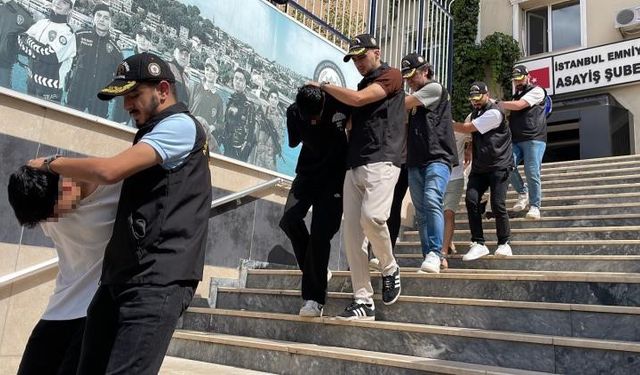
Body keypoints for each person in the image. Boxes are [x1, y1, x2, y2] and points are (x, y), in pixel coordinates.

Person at [27, 52, 211, 374]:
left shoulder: (181, 127)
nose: (127, 106)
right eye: (124, 98)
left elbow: (110, 171)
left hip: (157, 281)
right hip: (120, 278)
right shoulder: (152, 135)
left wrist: (49, 163)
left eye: (134, 95)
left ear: (163, 90)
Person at [312, 33, 405, 320]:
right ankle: (363, 300)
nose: (358, 63)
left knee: (372, 218)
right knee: (352, 236)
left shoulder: (392, 76)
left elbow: (360, 99)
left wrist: (324, 86)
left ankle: (389, 267)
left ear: (377, 52)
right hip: (354, 164)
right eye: (354, 59)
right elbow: (352, 114)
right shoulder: (362, 82)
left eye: (362, 57)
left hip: (384, 159)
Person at [7, 166, 121, 375]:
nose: (54, 219)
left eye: (55, 210)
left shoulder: (116, 187)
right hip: (59, 309)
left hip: (95, 311)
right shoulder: (45, 207)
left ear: (63, 183)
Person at [279, 85, 350, 317]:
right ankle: (316, 269)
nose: (316, 119)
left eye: (318, 114)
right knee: (289, 219)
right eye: (310, 117)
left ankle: (314, 298)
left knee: (320, 235)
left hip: (335, 177)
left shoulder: (339, 104)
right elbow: (292, 142)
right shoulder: (293, 113)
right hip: (308, 173)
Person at [401, 52, 458, 274]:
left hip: (438, 157)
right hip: (415, 160)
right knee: (421, 212)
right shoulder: (413, 100)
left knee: (432, 199)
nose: (409, 81)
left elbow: (400, 104)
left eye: (412, 75)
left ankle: (436, 252)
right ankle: (429, 257)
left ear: (425, 71)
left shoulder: (435, 89)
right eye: (406, 77)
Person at [453, 82, 513, 261]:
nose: (476, 102)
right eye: (473, 100)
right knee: (471, 200)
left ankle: (504, 243)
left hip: (499, 165)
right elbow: (471, 134)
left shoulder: (494, 113)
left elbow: (466, 128)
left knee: (497, 204)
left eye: (479, 99)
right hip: (480, 168)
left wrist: (444, 122)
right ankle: (478, 243)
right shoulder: (474, 113)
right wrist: (469, 148)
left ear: (487, 95)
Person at [498, 65, 547, 220]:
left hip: (534, 138)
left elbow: (520, 106)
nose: (518, 82)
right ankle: (523, 192)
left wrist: (498, 103)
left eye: (520, 78)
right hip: (516, 139)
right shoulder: (514, 97)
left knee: (532, 171)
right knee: (506, 165)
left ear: (528, 76)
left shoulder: (537, 90)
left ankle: (535, 206)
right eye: (515, 80)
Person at [65, 3, 123, 118]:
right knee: (68, 125)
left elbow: (120, 76)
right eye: (99, 15)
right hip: (77, 91)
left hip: (100, 98)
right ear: (94, 17)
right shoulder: (80, 36)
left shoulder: (116, 50)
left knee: (97, 131)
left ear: (111, 22)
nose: (102, 19)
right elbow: (67, 59)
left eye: (106, 18)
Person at [18, 0, 76, 103]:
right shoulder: (41, 23)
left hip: (50, 88)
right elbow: (21, 40)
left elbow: (51, 55)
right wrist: (39, 51)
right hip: (31, 81)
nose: (58, 3)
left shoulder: (68, 33)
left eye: (64, 2)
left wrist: (29, 41)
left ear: (70, 10)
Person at [441, 131, 472, 269]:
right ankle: (448, 241)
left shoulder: (458, 130)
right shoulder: (433, 129)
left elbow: (474, 135)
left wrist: (469, 150)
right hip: (437, 178)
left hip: (456, 178)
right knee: (439, 215)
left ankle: (443, 254)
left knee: (448, 213)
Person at [188, 56, 224, 152]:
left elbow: (221, 124)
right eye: (207, 70)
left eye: (212, 71)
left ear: (217, 75)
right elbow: (186, 109)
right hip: (190, 132)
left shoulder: (219, 100)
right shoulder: (195, 88)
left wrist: (213, 127)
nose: (209, 73)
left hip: (204, 138)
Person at [222, 68, 256, 162]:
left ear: (245, 84)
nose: (237, 81)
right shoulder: (230, 100)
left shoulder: (249, 106)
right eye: (236, 78)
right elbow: (226, 123)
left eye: (241, 80)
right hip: (227, 145)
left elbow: (250, 134)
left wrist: (242, 153)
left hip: (238, 150)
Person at [0, 0, 33, 87]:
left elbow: (27, 43)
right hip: (5, 64)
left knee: (5, 96)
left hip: (4, 64)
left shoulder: (25, 16)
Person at [251, 87, 282, 169]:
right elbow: (255, 131)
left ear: (278, 101)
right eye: (271, 97)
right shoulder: (262, 112)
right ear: (268, 98)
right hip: (259, 154)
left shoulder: (280, 119)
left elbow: (280, 139)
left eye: (275, 98)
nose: (273, 100)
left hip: (270, 156)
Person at [167, 40, 192, 104]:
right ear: (175, 53)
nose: (183, 57)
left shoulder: (186, 78)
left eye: (186, 55)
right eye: (181, 53)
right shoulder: (166, 67)